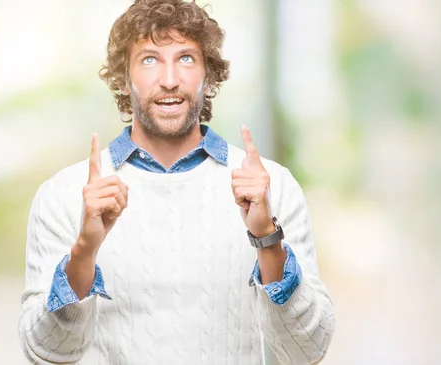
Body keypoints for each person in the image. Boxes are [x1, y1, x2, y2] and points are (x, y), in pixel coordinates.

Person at [17, 0, 335, 364]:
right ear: (123, 78)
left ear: (208, 76)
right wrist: (84, 252)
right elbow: (46, 352)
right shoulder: (64, 195)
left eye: (185, 58)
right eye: (150, 59)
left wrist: (266, 238)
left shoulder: (270, 187)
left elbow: (306, 350)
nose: (169, 79)